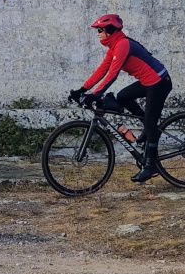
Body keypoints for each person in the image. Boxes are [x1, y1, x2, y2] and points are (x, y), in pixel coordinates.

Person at [68, 14, 172, 183]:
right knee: (122, 97)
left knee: (151, 123)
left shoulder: (123, 44)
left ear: (110, 30)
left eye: (100, 30)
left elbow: (112, 75)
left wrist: (95, 95)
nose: (98, 33)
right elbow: (102, 71)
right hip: (148, 81)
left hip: (159, 82)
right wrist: (82, 89)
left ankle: (151, 166)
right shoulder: (114, 47)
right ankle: (147, 124)